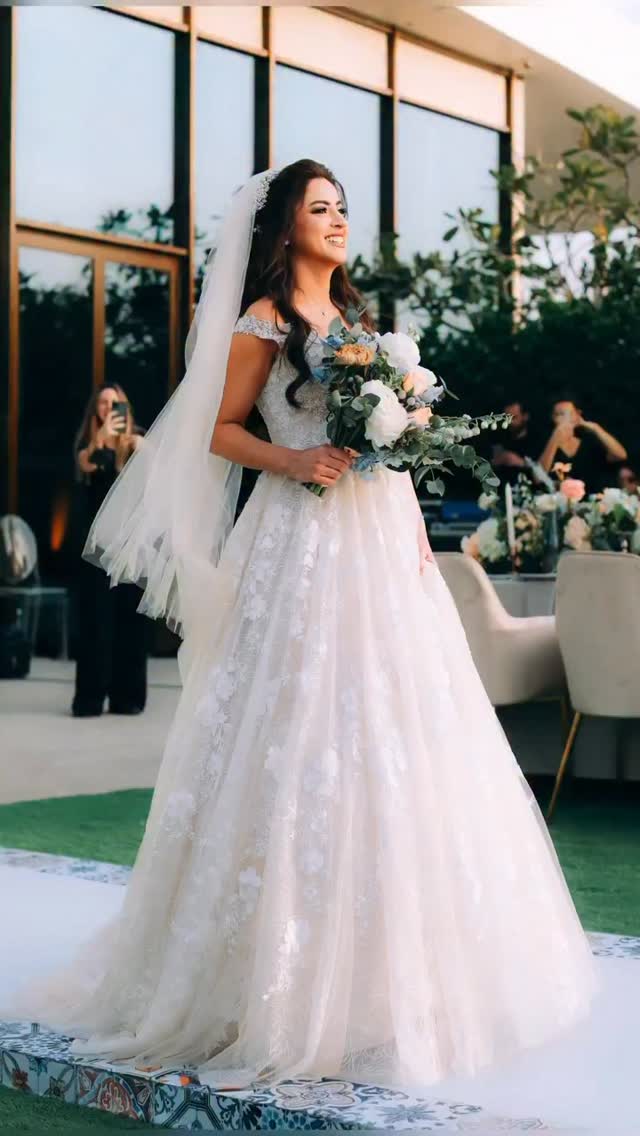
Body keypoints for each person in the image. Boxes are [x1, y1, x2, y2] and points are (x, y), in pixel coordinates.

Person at [9, 162, 596, 1090]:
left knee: (394, 733)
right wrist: (295, 459)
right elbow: (219, 429)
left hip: (373, 548)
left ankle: (387, 976)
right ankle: (264, 978)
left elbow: (390, 453)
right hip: (297, 542)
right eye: (318, 209)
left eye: (342, 208)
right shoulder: (264, 323)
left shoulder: (361, 332)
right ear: (283, 229)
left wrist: (406, 532)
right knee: (292, 730)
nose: (336, 221)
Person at [71, 384, 148, 716]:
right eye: (102, 403)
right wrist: (101, 438)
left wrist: (142, 448)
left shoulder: (138, 441)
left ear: (125, 407)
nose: (107, 408)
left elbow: (157, 475)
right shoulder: (89, 445)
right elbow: (86, 465)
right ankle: (89, 699)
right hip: (95, 548)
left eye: (113, 403)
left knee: (129, 621)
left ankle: (127, 697)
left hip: (129, 544)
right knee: (94, 621)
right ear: (95, 410)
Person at [539, 396, 627, 494]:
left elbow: (620, 455)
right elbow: (538, 477)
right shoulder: (546, 442)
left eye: (569, 414)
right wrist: (555, 438)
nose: (565, 419)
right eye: (559, 415)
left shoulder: (589, 441)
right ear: (552, 418)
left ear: (578, 415)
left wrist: (595, 428)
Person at [491, 399, 542, 485]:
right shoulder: (498, 437)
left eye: (514, 418)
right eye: (506, 418)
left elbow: (543, 470)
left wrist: (521, 463)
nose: (509, 422)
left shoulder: (537, 439)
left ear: (525, 416)